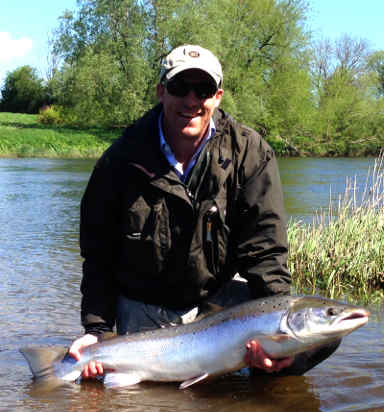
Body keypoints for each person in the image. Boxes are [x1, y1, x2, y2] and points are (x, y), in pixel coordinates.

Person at [69, 44, 337, 380]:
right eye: (181, 88)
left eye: (204, 90)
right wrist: (95, 330)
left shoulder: (249, 153)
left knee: (319, 337)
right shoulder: (120, 161)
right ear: (161, 92)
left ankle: (268, 377)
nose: (192, 101)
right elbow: (98, 257)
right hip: (148, 302)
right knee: (129, 392)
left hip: (220, 300)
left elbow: (265, 250)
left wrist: (281, 342)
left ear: (218, 96)